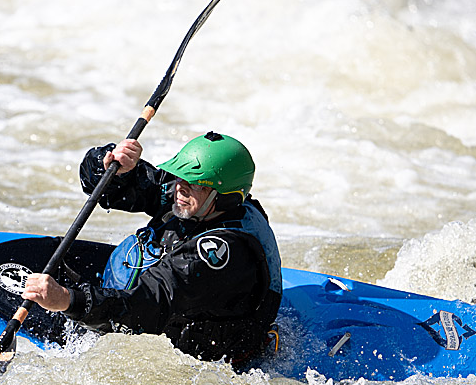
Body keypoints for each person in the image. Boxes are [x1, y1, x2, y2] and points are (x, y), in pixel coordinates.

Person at [22, 131, 282, 370]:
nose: (180, 189)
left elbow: (145, 306)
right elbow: (121, 188)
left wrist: (68, 300)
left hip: (197, 352)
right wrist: (113, 165)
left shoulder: (217, 255)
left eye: (196, 184)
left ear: (227, 197)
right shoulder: (200, 201)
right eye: (181, 178)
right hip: (159, 301)